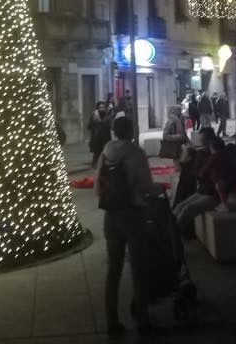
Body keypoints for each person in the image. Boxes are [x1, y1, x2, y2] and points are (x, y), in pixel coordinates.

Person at [94, 115, 161, 338]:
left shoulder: (106, 152)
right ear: (131, 131)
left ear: (114, 131)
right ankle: (143, 320)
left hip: (110, 216)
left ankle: (112, 322)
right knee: (139, 268)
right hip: (133, 215)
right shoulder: (136, 153)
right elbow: (147, 186)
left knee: (113, 270)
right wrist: (157, 190)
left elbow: (97, 188)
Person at [173, 136, 233, 231]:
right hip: (206, 191)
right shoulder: (224, 156)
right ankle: (170, 231)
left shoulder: (214, 158)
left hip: (213, 195)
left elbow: (201, 174)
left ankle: (172, 233)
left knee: (185, 209)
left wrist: (192, 168)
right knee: (181, 206)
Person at [88, 102, 111, 168]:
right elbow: (89, 126)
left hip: (105, 138)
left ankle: (104, 166)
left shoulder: (107, 115)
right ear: (97, 108)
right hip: (96, 138)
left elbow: (109, 126)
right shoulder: (94, 115)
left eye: (103, 107)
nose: (102, 109)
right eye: (100, 107)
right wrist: (95, 123)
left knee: (105, 153)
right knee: (96, 153)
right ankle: (95, 165)